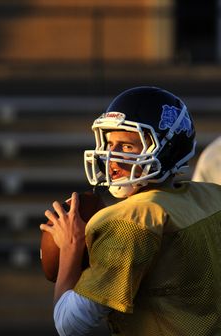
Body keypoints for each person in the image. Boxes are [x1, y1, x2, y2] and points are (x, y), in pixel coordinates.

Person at [40, 86, 221, 336]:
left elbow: (68, 324)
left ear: (167, 150)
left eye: (126, 147)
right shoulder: (210, 196)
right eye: (109, 143)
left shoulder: (130, 220)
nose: (111, 157)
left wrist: (72, 247)